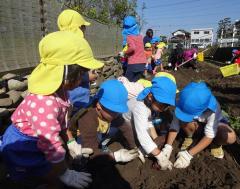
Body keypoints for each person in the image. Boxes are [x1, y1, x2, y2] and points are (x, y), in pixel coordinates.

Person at [0, 31, 104, 188]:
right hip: (23, 145)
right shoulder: (45, 103)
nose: (84, 77)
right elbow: (50, 144)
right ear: (67, 72)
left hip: (38, 140)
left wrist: (70, 142)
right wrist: (64, 173)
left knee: (50, 170)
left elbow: (61, 122)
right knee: (34, 177)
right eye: (82, 72)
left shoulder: (60, 91)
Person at [162, 82, 236, 169]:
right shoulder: (182, 101)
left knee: (230, 137)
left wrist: (188, 155)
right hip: (196, 125)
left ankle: (216, 143)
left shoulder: (213, 109)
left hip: (215, 126)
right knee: (182, 118)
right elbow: (175, 125)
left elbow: (209, 135)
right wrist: (168, 146)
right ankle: (190, 136)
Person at [76, 79, 139, 162]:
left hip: (100, 131)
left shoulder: (112, 114)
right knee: (87, 156)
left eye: (118, 111)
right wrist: (116, 157)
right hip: (85, 141)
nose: (116, 114)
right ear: (99, 105)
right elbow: (90, 149)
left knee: (119, 125)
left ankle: (101, 145)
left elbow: (126, 128)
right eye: (113, 110)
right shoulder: (87, 118)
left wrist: (134, 147)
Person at [123, 77, 177, 170]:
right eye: (163, 104)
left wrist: (156, 139)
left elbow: (149, 122)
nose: (164, 108)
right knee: (137, 144)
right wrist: (160, 156)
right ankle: (137, 150)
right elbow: (143, 135)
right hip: (123, 127)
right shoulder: (140, 108)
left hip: (136, 123)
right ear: (151, 96)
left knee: (149, 140)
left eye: (167, 105)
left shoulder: (148, 102)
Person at [57, 9, 99, 112]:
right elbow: (69, 72)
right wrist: (88, 76)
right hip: (77, 96)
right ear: (79, 28)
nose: (85, 30)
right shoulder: (76, 46)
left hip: (66, 96)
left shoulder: (58, 43)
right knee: (78, 116)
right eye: (84, 27)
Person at [121, 16, 146, 82]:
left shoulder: (129, 37)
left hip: (133, 64)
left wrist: (124, 53)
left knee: (127, 82)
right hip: (142, 63)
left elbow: (132, 48)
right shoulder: (140, 37)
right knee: (136, 83)